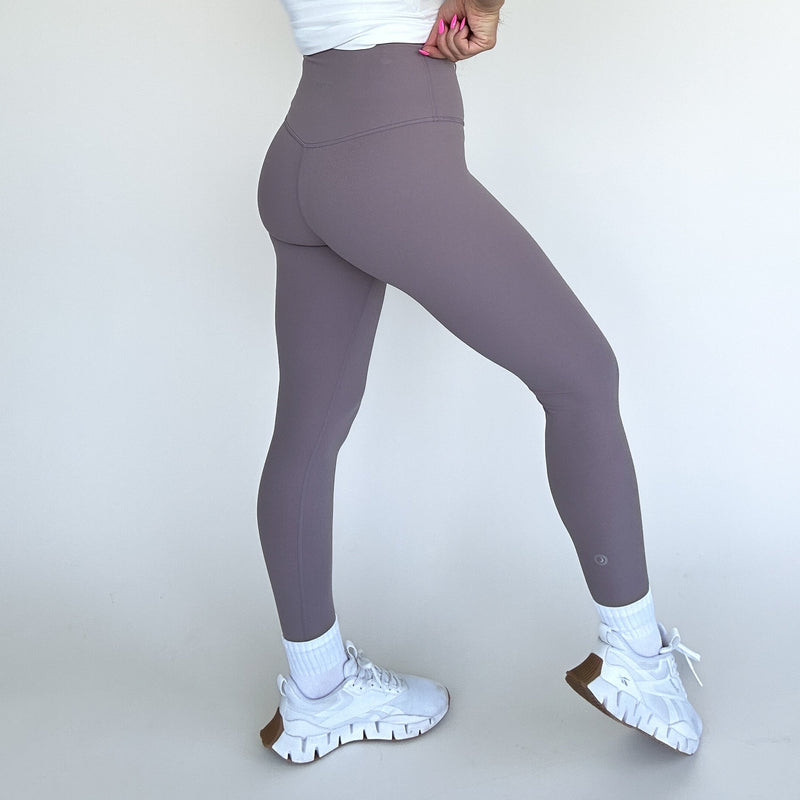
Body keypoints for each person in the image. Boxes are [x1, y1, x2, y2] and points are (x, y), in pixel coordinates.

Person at [255, 0, 703, 764]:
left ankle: (318, 691)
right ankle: (635, 653)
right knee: (583, 376)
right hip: (388, 150)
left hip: (303, 150)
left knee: (307, 431)